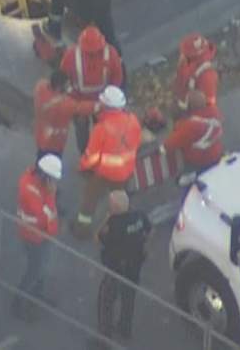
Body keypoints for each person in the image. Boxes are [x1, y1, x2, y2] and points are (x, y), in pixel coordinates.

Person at [74, 86, 141, 239]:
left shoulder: (101, 128)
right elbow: (137, 143)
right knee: (119, 204)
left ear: (106, 106)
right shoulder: (133, 121)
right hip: (125, 173)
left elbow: (91, 157)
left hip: (104, 174)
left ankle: (81, 231)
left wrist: (82, 166)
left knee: (89, 201)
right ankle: (118, 230)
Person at [95, 190, 152, 342]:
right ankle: (125, 328)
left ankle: (104, 337)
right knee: (129, 299)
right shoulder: (139, 215)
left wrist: (107, 218)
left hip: (117, 269)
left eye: (110, 206)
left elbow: (99, 236)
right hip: (134, 267)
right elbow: (149, 229)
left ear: (115, 208)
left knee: (106, 300)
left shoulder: (114, 224)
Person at [12, 154, 63, 321]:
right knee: (34, 270)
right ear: (45, 176)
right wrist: (50, 196)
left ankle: (36, 294)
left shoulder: (40, 183)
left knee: (41, 266)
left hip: (43, 235)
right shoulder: (29, 189)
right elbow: (42, 218)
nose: (55, 183)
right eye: (53, 179)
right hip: (33, 236)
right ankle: (18, 302)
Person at [60, 25, 125, 153]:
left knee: (101, 129)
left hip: (102, 101)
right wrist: (71, 97)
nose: (93, 54)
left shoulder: (110, 54)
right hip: (80, 101)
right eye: (89, 52)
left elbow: (117, 77)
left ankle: (98, 152)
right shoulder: (72, 55)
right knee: (82, 129)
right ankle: (86, 154)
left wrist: (110, 98)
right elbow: (63, 78)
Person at [34, 69, 97, 159]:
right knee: (53, 165)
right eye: (67, 85)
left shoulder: (40, 87)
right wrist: (100, 105)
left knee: (41, 159)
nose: (69, 87)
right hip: (55, 143)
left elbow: (45, 83)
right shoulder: (65, 104)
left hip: (41, 136)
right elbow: (82, 107)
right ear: (59, 88)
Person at [161, 90, 224, 176]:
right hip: (217, 152)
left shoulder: (189, 126)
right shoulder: (215, 111)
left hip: (201, 162)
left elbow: (169, 145)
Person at [171, 32, 219, 111]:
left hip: (183, 106)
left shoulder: (184, 65)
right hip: (194, 110)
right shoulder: (207, 75)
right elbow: (209, 104)